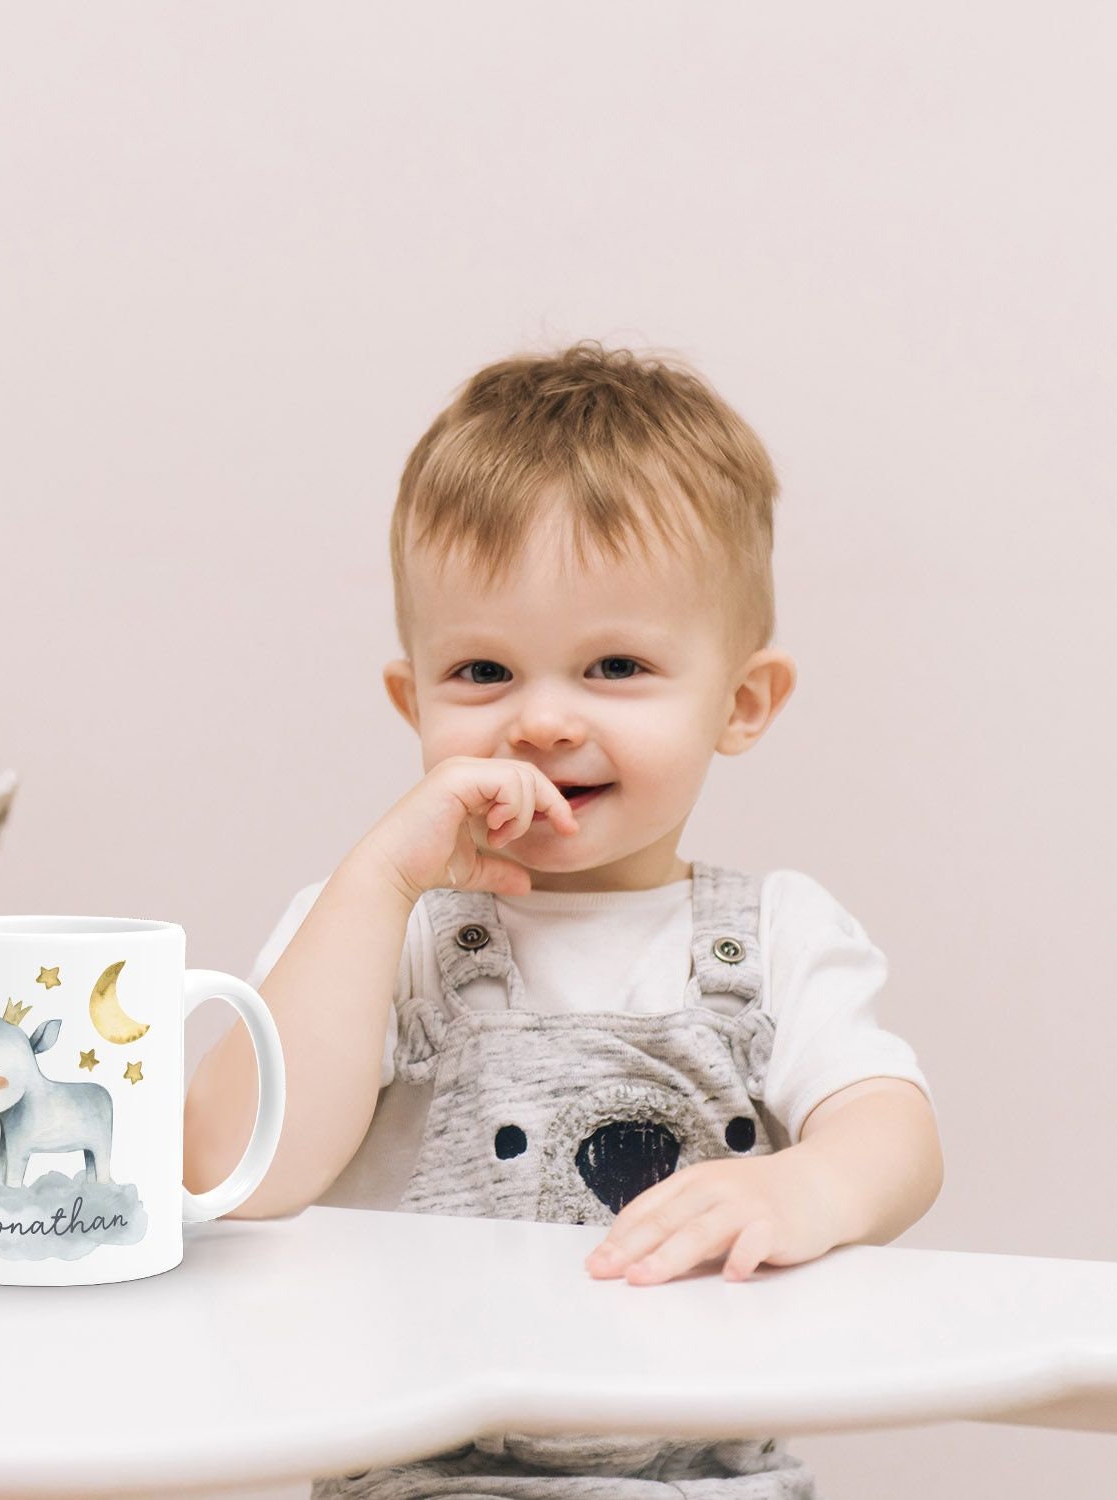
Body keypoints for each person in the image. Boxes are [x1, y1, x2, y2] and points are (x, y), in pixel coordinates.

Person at [184, 342, 943, 1498]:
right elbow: (227, 1167)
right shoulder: (376, 930)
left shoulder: (775, 936)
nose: (540, 720)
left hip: (709, 1481)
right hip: (424, 1479)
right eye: (482, 672)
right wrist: (379, 882)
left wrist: (806, 1190)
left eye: (615, 666)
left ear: (739, 704)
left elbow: (897, 1138)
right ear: (412, 700)